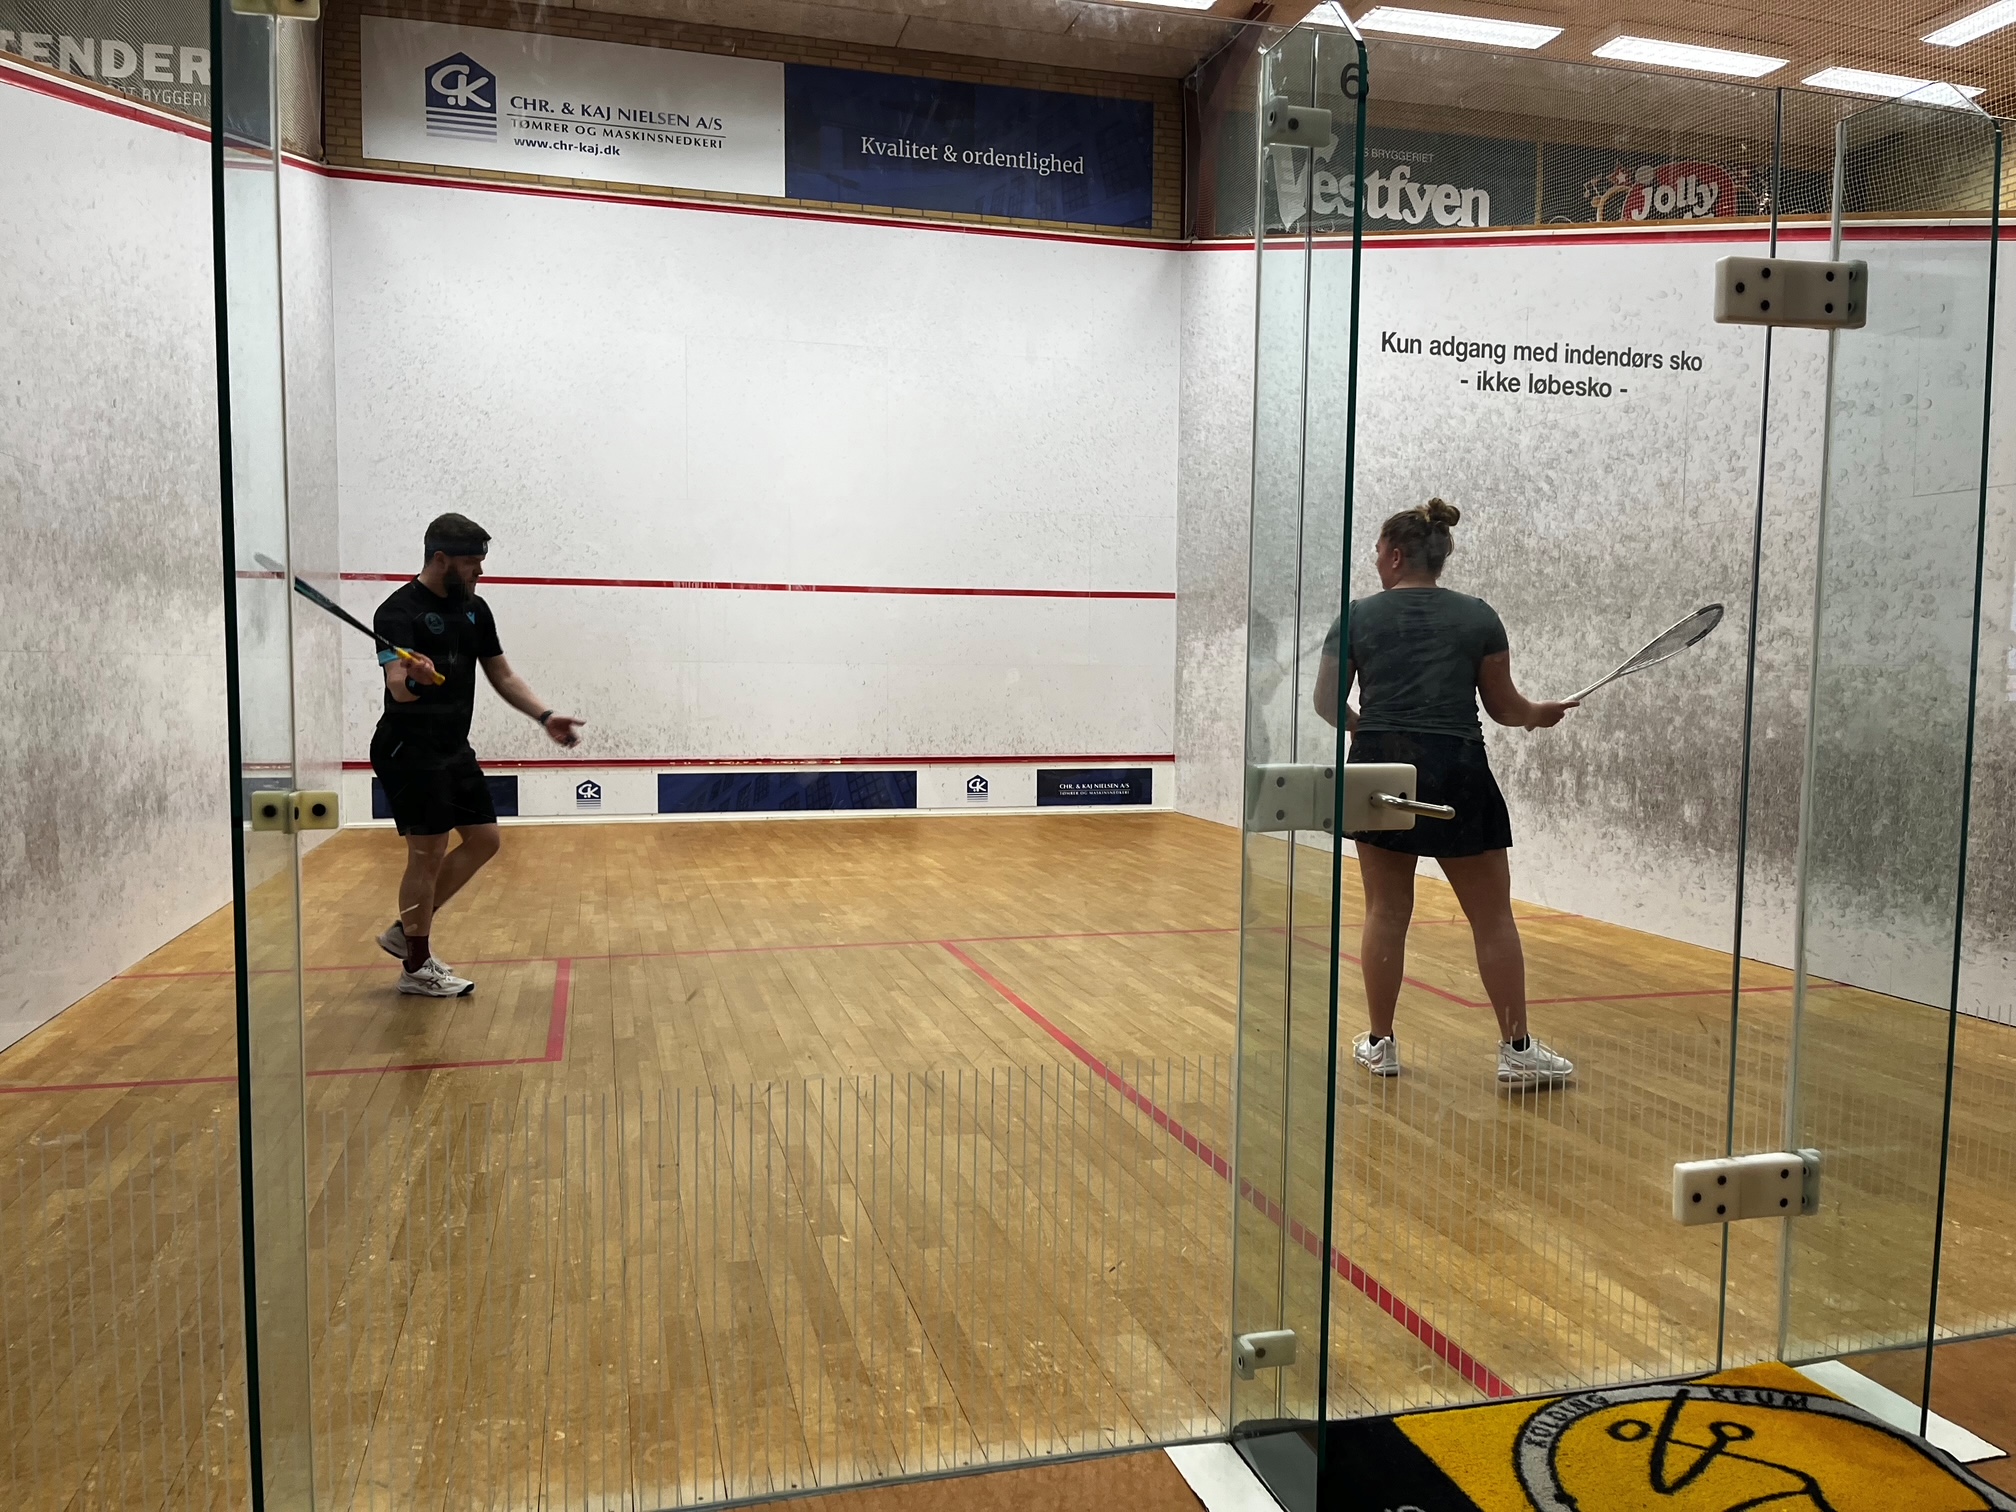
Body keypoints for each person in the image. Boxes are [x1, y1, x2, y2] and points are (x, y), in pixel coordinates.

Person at [1313, 499, 1578, 1086]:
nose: (1375, 560)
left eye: (1378, 551)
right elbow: (1505, 708)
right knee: (1492, 917)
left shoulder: (1356, 616)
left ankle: (1381, 1044)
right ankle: (1517, 1051)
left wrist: (1367, 729)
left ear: (1396, 555)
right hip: (1458, 768)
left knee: (1385, 911)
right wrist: (1539, 714)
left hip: (1380, 770)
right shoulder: (1478, 616)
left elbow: (1327, 703)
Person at [370, 513, 584, 997]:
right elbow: (397, 688)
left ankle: (406, 932)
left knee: (485, 839)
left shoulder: (475, 608)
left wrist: (544, 715)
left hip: (452, 747)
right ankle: (416, 967)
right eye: (471, 563)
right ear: (440, 559)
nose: (479, 572)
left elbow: (502, 674)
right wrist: (415, 680)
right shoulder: (396, 612)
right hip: (408, 748)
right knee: (427, 852)